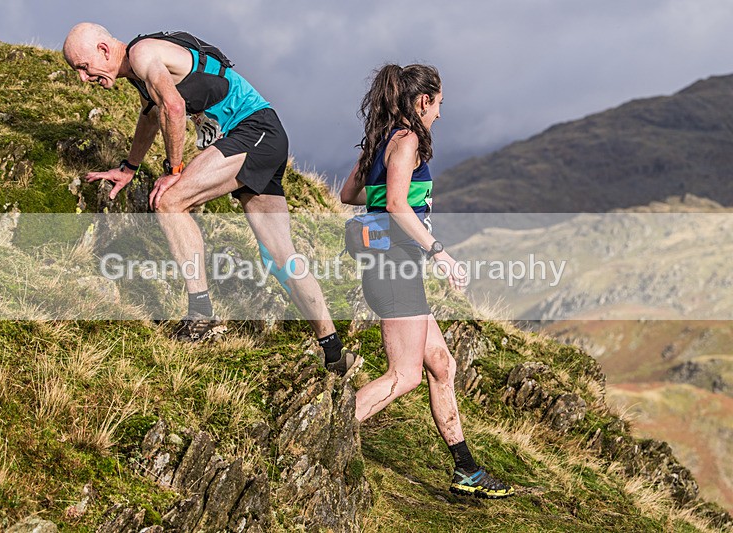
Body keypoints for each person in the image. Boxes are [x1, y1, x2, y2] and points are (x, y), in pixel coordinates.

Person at [62, 23, 361, 377]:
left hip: (253, 132)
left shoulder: (142, 54)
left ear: (103, 49)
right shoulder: (142, 69)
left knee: (170, 201)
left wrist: (174, 170)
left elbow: (173, 108)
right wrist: (129, 167)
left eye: (84, 67)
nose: (83, 78)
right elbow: (151, 117)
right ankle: (333, 351)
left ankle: (201, 315)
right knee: (280, 255)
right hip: (265, 135)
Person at [339, 64, 514, 498]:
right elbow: (397, 205)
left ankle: (466, 470)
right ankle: (325, 431)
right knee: (405, 375)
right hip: (394, 267)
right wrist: (440, 253)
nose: (440, 113)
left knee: (440, 362)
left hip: (393, 267)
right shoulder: (407, 139)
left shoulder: (383, 139)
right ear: (423, 101)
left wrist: (383, 182)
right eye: (438, 104)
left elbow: (349, 194)